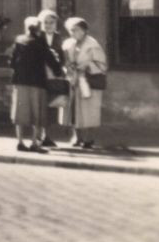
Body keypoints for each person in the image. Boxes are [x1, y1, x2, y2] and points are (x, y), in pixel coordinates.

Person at [9, 15, 61, 153]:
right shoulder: (40, 41)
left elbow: (12, 62)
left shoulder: (19, 40)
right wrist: (59, 71)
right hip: (37, 82)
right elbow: (51, 60)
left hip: (20, 82)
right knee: (37, 113)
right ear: (39, 29)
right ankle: (34, 143)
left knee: (20, 112)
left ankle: (20, 142)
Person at [62, 17, 108, 149]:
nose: (72, 33)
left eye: (75, 30)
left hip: (89, 81)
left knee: (89, 110)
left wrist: (87, 66)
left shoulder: (93, 45)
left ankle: (89, 138)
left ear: (84, 30)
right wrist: (67, 67)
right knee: (74, 111)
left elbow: (102, 65)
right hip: (74, 81)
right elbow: (64, 61)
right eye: (70, 30)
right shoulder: (67, 44)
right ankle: (77, 137)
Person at [38, 9, 68, 148]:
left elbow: (63, 58)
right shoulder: (37, 36)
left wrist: (59, 64)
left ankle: (47, 135)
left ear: (56, 24)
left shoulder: (59, 38)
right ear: (41, 24)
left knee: (52, 105)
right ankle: (39, 135)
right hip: (40, 76)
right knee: (40, 104)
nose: (48, 25)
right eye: (45, 22)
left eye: (51, 22)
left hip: (54, 76)